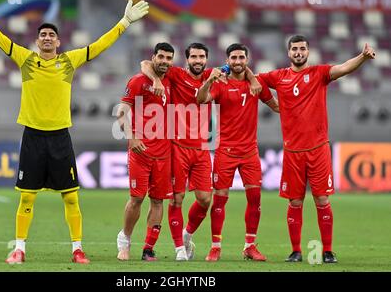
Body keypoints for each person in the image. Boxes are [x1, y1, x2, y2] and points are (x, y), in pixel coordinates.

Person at [0, 0, 149, 264]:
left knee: (71, 198)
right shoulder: (26, 60)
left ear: (58, 42)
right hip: (32, 137)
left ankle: (77, 250)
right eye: (43, 35)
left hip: (60, 138)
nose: (47, 38)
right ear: (37, 41)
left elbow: (100, 44)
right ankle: (19, 248)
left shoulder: (69, 61)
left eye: (51, 35)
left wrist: (124, 22)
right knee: (27, 199)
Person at [257, 35, 376, 263]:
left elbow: (343, 68)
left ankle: (328, 251)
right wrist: (271, 103)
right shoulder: (278, 76)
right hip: (292, 152)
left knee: (322, 200)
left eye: (302, 49)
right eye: (295, 49)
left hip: (318, 149)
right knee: (295, 202)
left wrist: (362, 57)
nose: (298, 52)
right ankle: (296, 251)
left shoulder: (319, 73)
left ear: (308, 52)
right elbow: (254, 81)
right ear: (288, 52)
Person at [141, 43, 262, 261]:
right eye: (194, 57)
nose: (198, 60)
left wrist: (252, 78)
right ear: (187, 59)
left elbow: (239, 67)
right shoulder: (176, 73)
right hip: (178, 147)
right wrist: (156, 80)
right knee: (176, 199)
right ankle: (179, 249)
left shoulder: (212, 74)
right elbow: (145, 64)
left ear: (206, 59)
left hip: (202, 149)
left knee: (206, 199)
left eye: (201, 57)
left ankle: (187, 235)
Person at [196, 43, 279, 262]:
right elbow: (200, 99)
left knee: (255, 197)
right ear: (227, 60)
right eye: (233, 58)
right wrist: (209, 80)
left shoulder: (257, 83)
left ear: (247, 60)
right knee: (220, 199)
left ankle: (250, 246)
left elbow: (276, 106)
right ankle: (215, 247)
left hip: (250, 151)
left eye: (241, 57)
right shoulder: (220, 83)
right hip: (226, 151)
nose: (238, 61)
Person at [116, 42, 175, 261]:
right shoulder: (138, 81)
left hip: (164, 153)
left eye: (169, 58)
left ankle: (148, 248)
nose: (165, 61)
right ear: (154, 57)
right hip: (140, 152)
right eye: (161, 57)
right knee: (136, 198)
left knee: (158, 201)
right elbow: (122, 112)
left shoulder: (173, 80)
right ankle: (125, 240)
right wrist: (131, 136)